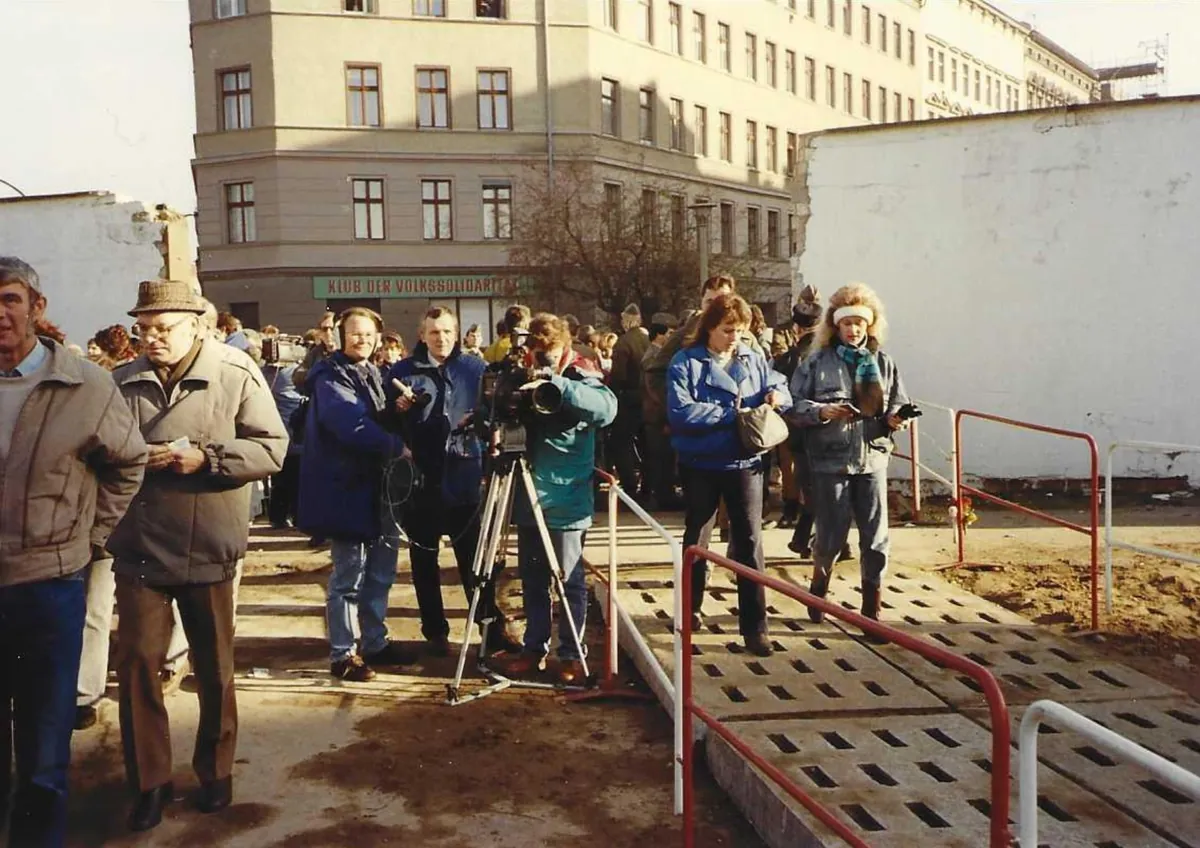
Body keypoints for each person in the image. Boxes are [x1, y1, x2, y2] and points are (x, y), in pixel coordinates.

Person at [108, 279, 287, 832]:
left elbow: (272, 448)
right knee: (138, 665)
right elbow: (98, 451)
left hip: (208, 543)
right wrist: (133, 458)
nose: (151, 338)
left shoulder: (235, 373)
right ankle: (149, 783)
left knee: (213, 667)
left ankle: (215, 770)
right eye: (144, 328)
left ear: (196, 326)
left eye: (163, 328)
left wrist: (207, 458)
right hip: (140, 546)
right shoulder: (120, 382)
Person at [0, 257, 147, 848]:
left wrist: (89, 538)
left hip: (49, 586)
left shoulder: (85, 385)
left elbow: (128, 462)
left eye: (9, 299)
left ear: (37, 307)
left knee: (43, 751)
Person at [490, 314, 617, 685]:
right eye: (537, 352)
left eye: (551, 351)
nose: (543, 358)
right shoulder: (521, 371)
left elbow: (606, 410)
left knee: (569, 580)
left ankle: (572, 654)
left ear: (565, 346)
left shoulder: (580, 372)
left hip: (567, 493)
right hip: (528, 491)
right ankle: (534, 649)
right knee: (532, 578)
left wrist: (558, 384)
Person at [296, 307, 417, 681]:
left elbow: (371, 418)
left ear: (378, 338)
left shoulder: (372, 373)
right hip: (346, 489)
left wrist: (395, 410)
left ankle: (375, 642)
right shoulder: (330, 376)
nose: (362, 339)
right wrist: (395, 445)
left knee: (380, 571)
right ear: (340, 336)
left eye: (368, 334)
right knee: (348, 575)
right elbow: (349, 424)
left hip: (375, 487)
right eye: (355, 333)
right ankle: (343, 654)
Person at [666, 293, 790, 657]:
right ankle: (689, 609)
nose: (734, 338)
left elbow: (780, 384)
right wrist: (733, 414)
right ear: (709, 328)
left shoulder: (753, 358)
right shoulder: (685, 362)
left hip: (744, 462)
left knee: (750, 542)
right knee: (697, 538)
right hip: (701, 463)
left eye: (740, 330)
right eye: (727, 330)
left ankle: (755, 627)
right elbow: (681, 412)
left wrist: (776, 395)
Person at [389, 308, 518, 656]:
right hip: (422, 479)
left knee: (475, 559)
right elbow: (387, 420)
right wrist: (399, 412)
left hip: (464, 476)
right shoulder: (402, 371)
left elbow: (493, 414)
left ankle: (490, 629)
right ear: (422, 335)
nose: (441, 338)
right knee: (424, 561)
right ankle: (435, 632)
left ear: (457, 333)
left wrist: (482, 425)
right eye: (434, 332)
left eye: (447, 332)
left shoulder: (475, 368)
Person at [789, 283, 910, 631]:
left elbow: (898, 401)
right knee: (830, 536)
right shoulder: (816, 363)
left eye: (859, 323)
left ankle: (872, 608)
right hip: (830, 462)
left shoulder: (883, 363)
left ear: (870, 325)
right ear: (835, 325)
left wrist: (897, 418)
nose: (853, 329)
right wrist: (822, 411)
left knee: (875, 538)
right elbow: (793, 404)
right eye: (847, 323)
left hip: (873, 460)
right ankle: (819, 590)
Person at [770, 286, 823, 530]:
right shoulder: (785, 333)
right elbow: (779, 356)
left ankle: (800, 512)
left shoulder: (818, 343)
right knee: (793, 465)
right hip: (801, 411)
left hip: (801, 412)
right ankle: (794, 510)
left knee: (800, 466)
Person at [640, 312, 681, 510]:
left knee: (663, 457)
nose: (672, 337)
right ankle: (662, 496)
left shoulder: (657, 355)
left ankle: (663, 494)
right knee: (660, 458)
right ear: (659, 334)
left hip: (656, 414)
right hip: (656, 415)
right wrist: (665, 416)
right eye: (670, 333)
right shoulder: (654, 357)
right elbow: (654, 389)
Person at [608, 304, 650, 497]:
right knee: (647, 443)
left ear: (625, 320)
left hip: (629, 398)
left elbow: (618, 375)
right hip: (649, 398)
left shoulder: (623, 343)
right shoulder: (648, 339)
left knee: (620, 442)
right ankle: (648, 486)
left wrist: (612, 395)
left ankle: (630, 485)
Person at [293, 310, 337, 390]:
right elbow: (298, 376)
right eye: (324, 329)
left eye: (332, 328)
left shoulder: (348, 351)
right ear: (319, 332)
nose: (328, 333)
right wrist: (316, 372)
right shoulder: (316, 352)